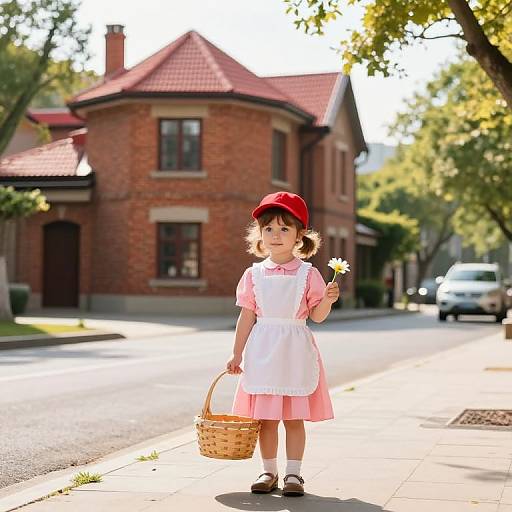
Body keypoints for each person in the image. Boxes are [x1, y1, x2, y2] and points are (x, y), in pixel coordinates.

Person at [226, 191, 338, 497]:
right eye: (269, 229)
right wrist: (237, 353)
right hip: (263, 351)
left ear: (299, 235)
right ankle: (269, 470)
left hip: (294, 350)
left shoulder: (308, 273)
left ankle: (293, 474)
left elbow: (317, 316)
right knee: (266, 419)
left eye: (284, 229)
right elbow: (246, 317)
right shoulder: (253, 274)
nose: (276, 235)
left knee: (293, 417)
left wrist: (327, 301)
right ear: (260, 234)